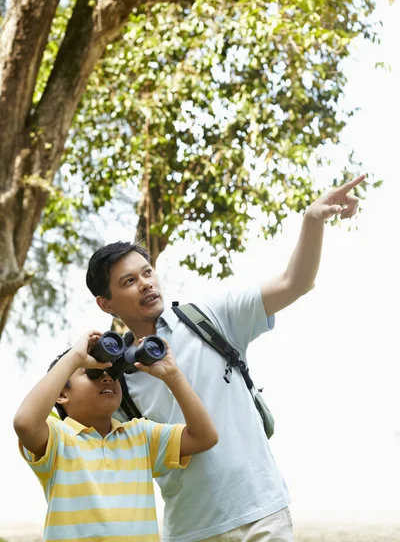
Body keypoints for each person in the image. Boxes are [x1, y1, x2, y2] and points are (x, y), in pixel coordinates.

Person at [85, 174, 365, 542]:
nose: (147, 284)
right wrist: (84, 359)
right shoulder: (117, 377)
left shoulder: (209, 317)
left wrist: (312, 220)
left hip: (262, 514)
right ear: (106, 303)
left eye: (148, 273)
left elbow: (294, 281)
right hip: (190, 530)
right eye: (129, 282)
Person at [13, 330, 218, 542]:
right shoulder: (58, 439)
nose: (107, 378)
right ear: (62, 394)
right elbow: (24, 423)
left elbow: (205, 437)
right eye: (92, 373)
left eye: (113, 373)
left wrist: (172, 375)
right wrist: (74, 358)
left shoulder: (141, 436)